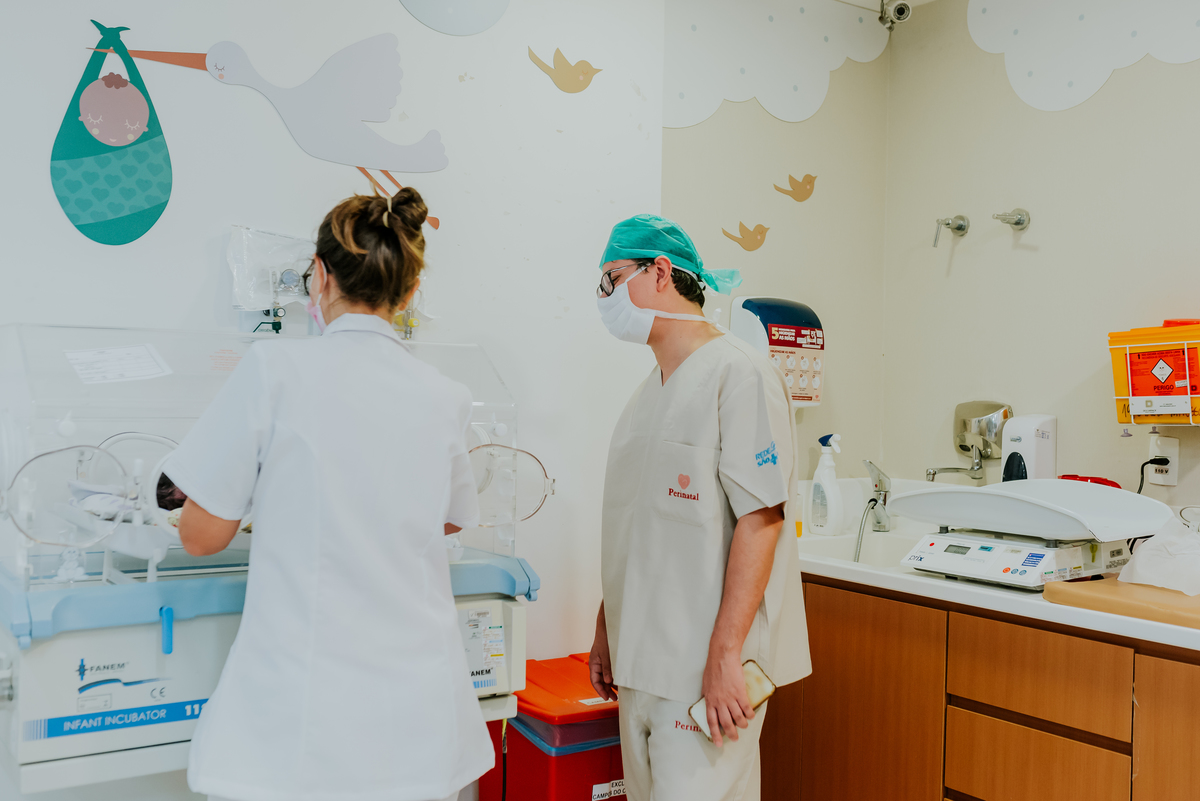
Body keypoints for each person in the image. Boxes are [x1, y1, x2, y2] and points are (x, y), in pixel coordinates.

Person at [164, 189, 492, 801]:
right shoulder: (445, 395)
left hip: (304, 719)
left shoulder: (274, 370)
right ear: (410, 292)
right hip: (416, 719)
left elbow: (202, 536)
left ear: (318, 276)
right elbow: (449, 521)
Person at [588, 214, 811, 801]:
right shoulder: (648, 394)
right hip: (642, 663)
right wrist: (606, 625)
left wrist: (725, 656)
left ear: (660, 272)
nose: (605, 299)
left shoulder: (739, 372)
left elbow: (762, 520)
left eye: (612, 280)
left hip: (704, 672)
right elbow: (641, 523)